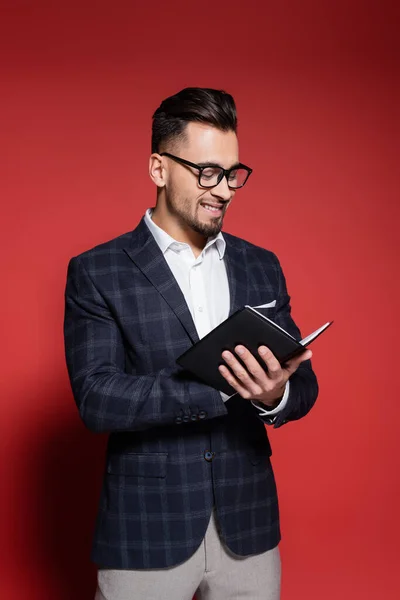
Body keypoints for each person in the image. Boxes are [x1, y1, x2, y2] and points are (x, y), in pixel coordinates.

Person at [64, 87, 318, 600]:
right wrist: (222, 390)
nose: (222, 189)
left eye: (231, 174)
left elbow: (303, 384)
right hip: (146, 532)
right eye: (206, 172)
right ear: (159, 169)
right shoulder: (98, 271)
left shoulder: (260, 264)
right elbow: (96, 397)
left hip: (248, 531)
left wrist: (273, 396)